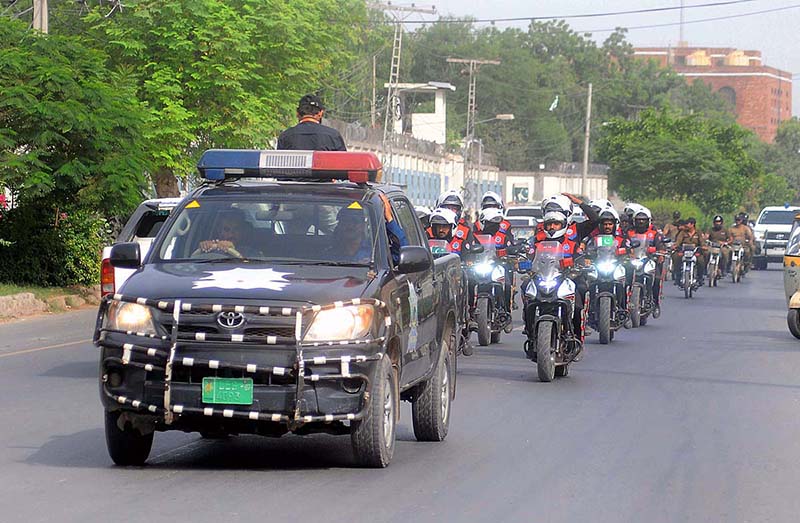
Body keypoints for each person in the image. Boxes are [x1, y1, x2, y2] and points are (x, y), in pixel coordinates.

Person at [529, 210, 588, 347]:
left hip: (564, 279)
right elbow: (530, 257)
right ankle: (529, 328)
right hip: (543, 278)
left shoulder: (571, 244)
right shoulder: (538, 243)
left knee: (578, 306)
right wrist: (522, 263)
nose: (552, 227)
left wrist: (580, 264)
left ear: (563, 225)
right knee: (527, 291)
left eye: (556, 224)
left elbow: (580, 258)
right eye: (549, 224)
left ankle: (577, 338)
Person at [626, 206, 668, 305]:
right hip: (633, 260)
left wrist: (660, 253)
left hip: (650, 260)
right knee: (622, 279)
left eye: (643, 220)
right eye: (638, 220)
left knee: (657, 279)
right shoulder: (629, 232)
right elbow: (622, 243)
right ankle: (623, 303)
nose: (641, 222)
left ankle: (655, 302)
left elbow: (660, 245)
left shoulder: (654, 233)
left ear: (648, 221)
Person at [276, 94, 346, 151]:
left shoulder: (285, 136)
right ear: (320, 113)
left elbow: (278, 165)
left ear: (297, 113)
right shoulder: (333, 136)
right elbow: (344, 164)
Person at [535, 193, 599, 244]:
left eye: (556, 223)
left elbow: (595, 220)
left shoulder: (575, 229)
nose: (552, 226)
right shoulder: (541, 228)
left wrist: (579, 202)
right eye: (549, 211)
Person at [194, 210, 261, 258]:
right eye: (226, 229)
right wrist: (204, 247)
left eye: (236, 229)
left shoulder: (251, 252)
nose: (231, 233)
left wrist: (234, 250)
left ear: (242, 231)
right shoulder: (209, 250)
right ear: (219, 231)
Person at [674, 217, 706, 285]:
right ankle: (678, 277)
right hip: (684, 251)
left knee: (701, 260)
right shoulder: (682, 232)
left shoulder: (699, 232)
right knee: (676, 256)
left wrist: (703, 247)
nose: (685, 225)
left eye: (687, 224)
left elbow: (702, 242)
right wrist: (675, 246)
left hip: (695, 251)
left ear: (692, 224)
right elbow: (678, 241)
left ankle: (700, 277)